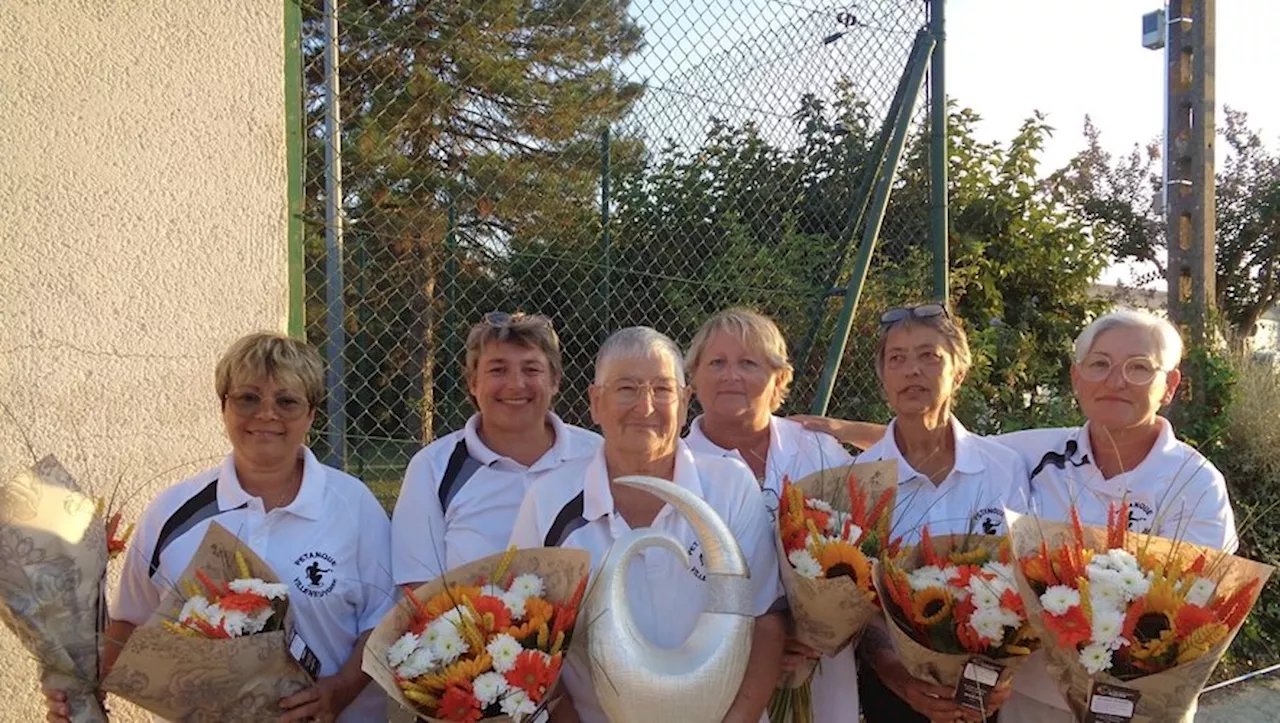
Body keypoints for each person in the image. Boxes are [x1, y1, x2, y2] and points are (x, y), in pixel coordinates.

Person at [796, 308, 1239, 723]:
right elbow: (933, 441)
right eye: (1100, 364)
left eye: (1139, 367)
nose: (1117, 381)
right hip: (1027, 703)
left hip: (1133, 707)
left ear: (1171, 384)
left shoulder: (1195, 484)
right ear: (1077, 377)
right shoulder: (1030, 452)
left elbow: (1196, 611)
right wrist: (837, 430)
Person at [43, 332, 393, 722]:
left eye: (287, 401)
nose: (266, 414)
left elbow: (385, 620)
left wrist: (341, 690)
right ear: (223, 406)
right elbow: (129, 622)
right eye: (247, 398)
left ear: (311, 413)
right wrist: (79, 692)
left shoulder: (353, 505)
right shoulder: (171, 512)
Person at [509, 326, 786, 723]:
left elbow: (764, 620)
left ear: (686, 400)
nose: (645, 407)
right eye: (626, 388)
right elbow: (528, 635)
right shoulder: (547, 500)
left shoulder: (730, 487)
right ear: (595, 402)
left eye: (662, 389)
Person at [851, 304, 1029, 723]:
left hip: (985, 694)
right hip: (892, 694)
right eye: (897, 359)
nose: (912, 370)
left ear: (958, 373)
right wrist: (898, 678)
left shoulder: (1004, 466)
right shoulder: (860, 479)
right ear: (884, 380)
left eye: (929, 356)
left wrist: (994, 677)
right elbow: (852, 603)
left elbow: (1026, 579)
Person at [681, 307, 858, 722]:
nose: (731, 376)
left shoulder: (819, 451)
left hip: (819, 666)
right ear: (693, 376)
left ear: (779, 377)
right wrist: (763, 642)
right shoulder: (676, 465)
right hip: (721, 671)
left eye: (748, 363)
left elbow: (862, 554)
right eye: (717, 363)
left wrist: (819, 629)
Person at [390, 312, 601, 589]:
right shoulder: (433, 468)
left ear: (555, 380)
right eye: (497, 370)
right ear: (472, 382)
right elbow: (418, 591)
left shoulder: (598, 456)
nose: (515, 384)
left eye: (531, 369)